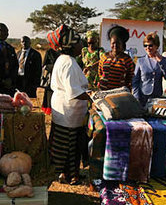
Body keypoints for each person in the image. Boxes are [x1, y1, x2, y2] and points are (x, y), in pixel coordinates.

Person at [47, 24, 91, 185]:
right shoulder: (70, 63)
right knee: (70, 145)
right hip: (69, 111)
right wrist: (94, 97)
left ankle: (67, 173)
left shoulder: (63, 59)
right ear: (71, 46)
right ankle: (70, 175)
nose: (82, 45)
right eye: (79, 42)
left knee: (64, 142)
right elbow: (75, 92)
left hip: (63, 109)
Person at [132, 32, 166, 106]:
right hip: (142, 97)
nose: (148, 48)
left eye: (150, 45)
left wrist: (161, 62)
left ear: (156, 46)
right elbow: (135, 81)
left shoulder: (164, 60)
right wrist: (136, 97)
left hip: (157, 97)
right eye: (145, 45)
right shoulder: (140, 61)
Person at [98, 25, 135, 90]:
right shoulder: (104, 56)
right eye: (113, 43)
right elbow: (100, 72)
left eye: (118, 43)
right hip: (103, 91)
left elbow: (130, 77)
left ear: (122, 44)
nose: (115, 45)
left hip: (118, 93)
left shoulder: (127, 59)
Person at [40, 48, 60, 115]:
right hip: (51, 77)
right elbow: (44, 65)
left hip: (61, 76)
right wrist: (55, 67)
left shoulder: (64, 51)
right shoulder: (50, 51)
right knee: (49, 94)